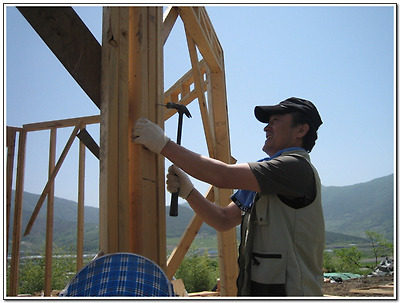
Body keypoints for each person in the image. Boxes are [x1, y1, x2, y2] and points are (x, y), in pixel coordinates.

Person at [132, 97, 325, 297]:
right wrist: (189, 192)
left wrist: (163, 145)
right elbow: (223, 219)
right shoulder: (267, 178)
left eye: (275, 121)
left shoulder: (295, 167)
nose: (266, 128)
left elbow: (224, 175)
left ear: (301, 130)